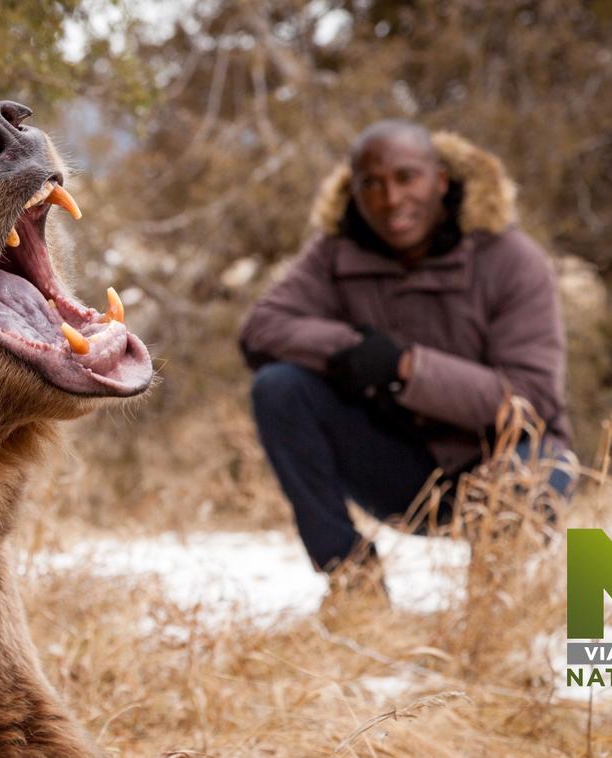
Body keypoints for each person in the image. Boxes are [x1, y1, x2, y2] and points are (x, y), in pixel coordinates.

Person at [238, 120, 572, 599]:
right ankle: (354, 582)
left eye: (406, 178)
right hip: (400, 472)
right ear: (353, 191)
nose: (391, 199)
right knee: (278, 387)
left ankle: (498, 610)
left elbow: (532, 399)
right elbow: (261, 329)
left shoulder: (513, 259)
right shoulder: (334, 252)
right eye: (371, 184)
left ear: (440, 180)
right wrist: (352, 350)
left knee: (536, 474)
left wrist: (404, 368)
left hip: (509, 463)